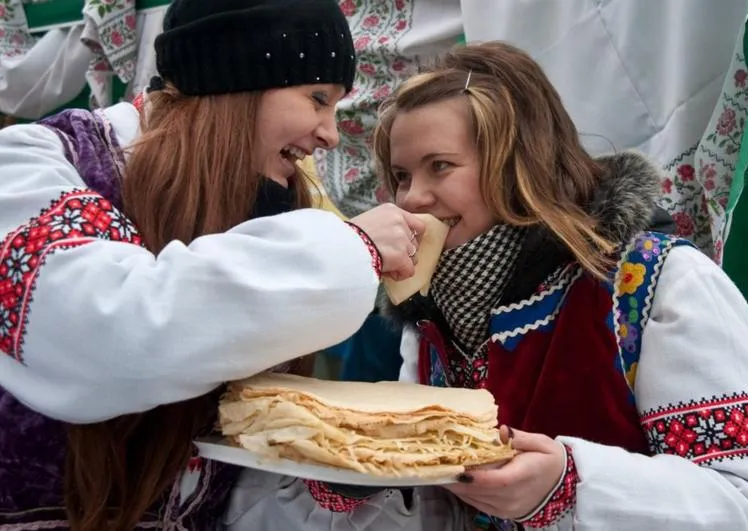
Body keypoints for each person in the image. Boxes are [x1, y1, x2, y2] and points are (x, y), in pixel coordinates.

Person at [223, 41, 748, 530]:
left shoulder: (657, 284)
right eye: (401, 175)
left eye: (439, 167)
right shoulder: (428, 318)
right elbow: (440, 509)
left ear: (519, 163)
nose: (410, 198)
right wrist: (363, 479)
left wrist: (571, 483)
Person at [0, 0, 428, 529]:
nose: (330, 134)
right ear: (236, 76)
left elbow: (229, 491)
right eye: (317, 98)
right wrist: (352, 247)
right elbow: (108, 336)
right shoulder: (33, 164)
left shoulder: (251, 209)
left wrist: (333, 486)